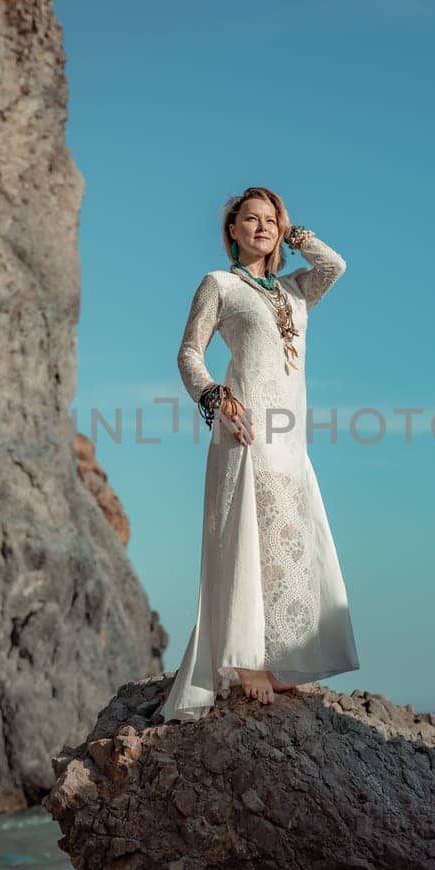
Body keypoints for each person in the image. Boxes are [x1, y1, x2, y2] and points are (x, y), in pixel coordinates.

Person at [158, 187, 360, 721]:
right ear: (232, 229)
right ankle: (243, 663)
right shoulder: (219, 285)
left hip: (291, 438)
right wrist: (215, 397)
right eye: (251, 219)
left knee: (285, 542)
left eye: (271, 220)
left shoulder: (296, 291)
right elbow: (187, 352)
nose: (262, 227)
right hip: (244, 427)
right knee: (243, 536)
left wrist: (296, 232)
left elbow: (335, 265)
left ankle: (274, 659)